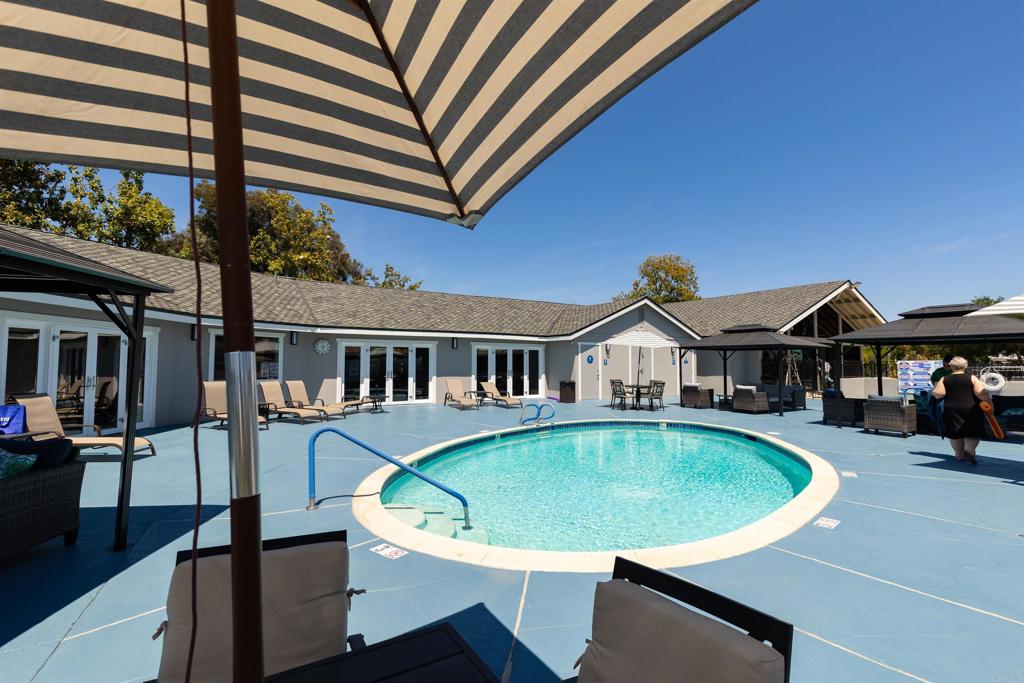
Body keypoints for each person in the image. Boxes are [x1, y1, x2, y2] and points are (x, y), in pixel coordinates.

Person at [931, 356, 990, 464]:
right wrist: (990, 404)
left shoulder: (944, 379)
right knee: (972, 432)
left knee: (955, 433)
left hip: (951, 409)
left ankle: (959, 454)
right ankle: (969, 450)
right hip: (971, 408)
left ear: (951, 366)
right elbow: (982, 394)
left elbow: (939, 394)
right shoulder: (972, 378)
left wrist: (934, 390)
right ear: (965, 366)